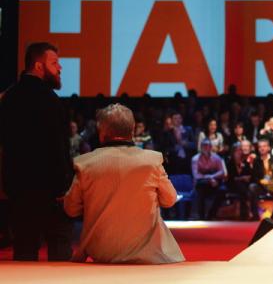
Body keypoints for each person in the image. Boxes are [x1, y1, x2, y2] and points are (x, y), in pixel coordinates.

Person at [63, 104, 184, 263]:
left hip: (102, 253)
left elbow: (71, 209)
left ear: (101, 132)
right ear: (132, 130)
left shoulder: (85, 164)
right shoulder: (151, 161)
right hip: (148, 256)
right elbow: (170, 199)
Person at [0, 42, 74, 261]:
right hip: (50, 190)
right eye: (54, 63)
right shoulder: (51, 101)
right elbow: (59, 148)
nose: (60, 68)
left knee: (24, 250)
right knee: (60, 252)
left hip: (18, 189)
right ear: (39, 66)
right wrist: (64, 186)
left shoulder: (8, 98)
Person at [191, 138, 227, 220]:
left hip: (214, 182)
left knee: (223, 190)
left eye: (208, 146)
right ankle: (201, 216)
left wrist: (212, 177)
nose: (206, 148)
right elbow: (196, 175)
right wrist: (209, 178)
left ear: (211, 147)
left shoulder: (217, 158)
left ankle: (211, 214)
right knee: (200, 189)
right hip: (202, 183)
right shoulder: (195, 159)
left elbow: (222, 172)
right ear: (201, 147)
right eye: (204, 146)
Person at [250, 138, 273, 220]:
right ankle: (254, 214)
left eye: (264, 146)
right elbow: (254, 176)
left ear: (268, 148)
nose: (262, 148)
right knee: (252, 187)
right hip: (262, 185)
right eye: (260, 147)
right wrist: (260, 181)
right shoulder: (256, 160)